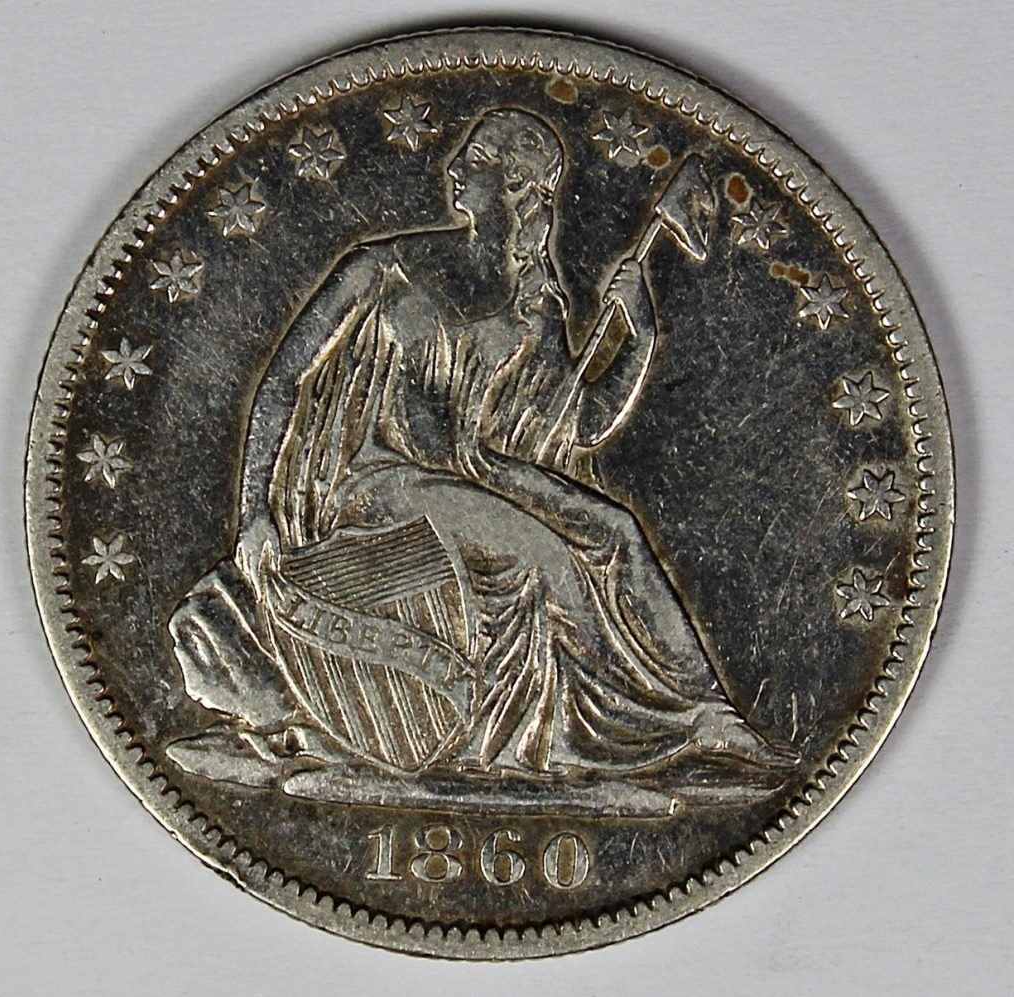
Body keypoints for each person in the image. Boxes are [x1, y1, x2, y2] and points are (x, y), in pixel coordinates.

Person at [168, 107, 794, 788]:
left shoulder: (538, 304)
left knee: (617, 529)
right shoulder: (384, 268)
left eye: (475, 161)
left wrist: (637, 337)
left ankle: (707, 713)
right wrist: (253, 513)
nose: (455, 170)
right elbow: (285, 379)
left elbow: (581, 422)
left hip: (481, 473)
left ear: (516, 185)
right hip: (383, 481)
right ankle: (627, 730)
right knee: (543, 555)